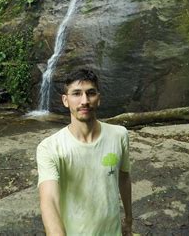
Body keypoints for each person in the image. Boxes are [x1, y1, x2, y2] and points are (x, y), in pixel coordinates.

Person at [36, 68, 132, 236]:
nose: (84, 100)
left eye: (90, 93)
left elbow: (124, 177)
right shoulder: (49, 147)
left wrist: (129, 219)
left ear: (99, 98)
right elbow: (49, 199)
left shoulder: (119, 135)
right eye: (77, 94)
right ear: (66, 100)